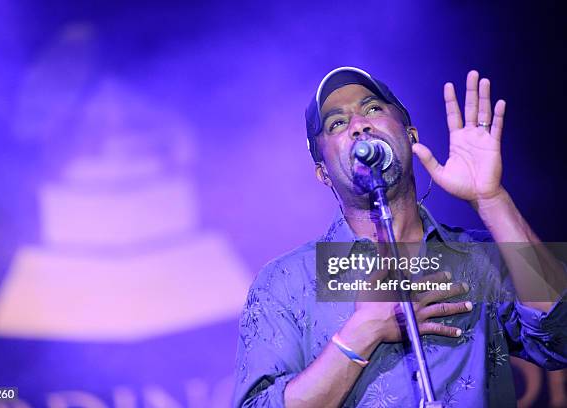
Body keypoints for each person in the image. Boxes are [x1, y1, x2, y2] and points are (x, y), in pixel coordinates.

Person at [232, 67, 567, 407]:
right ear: (323, 173)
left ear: (411, 135)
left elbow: (561, 339)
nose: (359, 125)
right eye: (337, 123)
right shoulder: (287, 281)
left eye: (373, 109)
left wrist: (491, 200)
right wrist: (363, 331)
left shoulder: (478, 256)